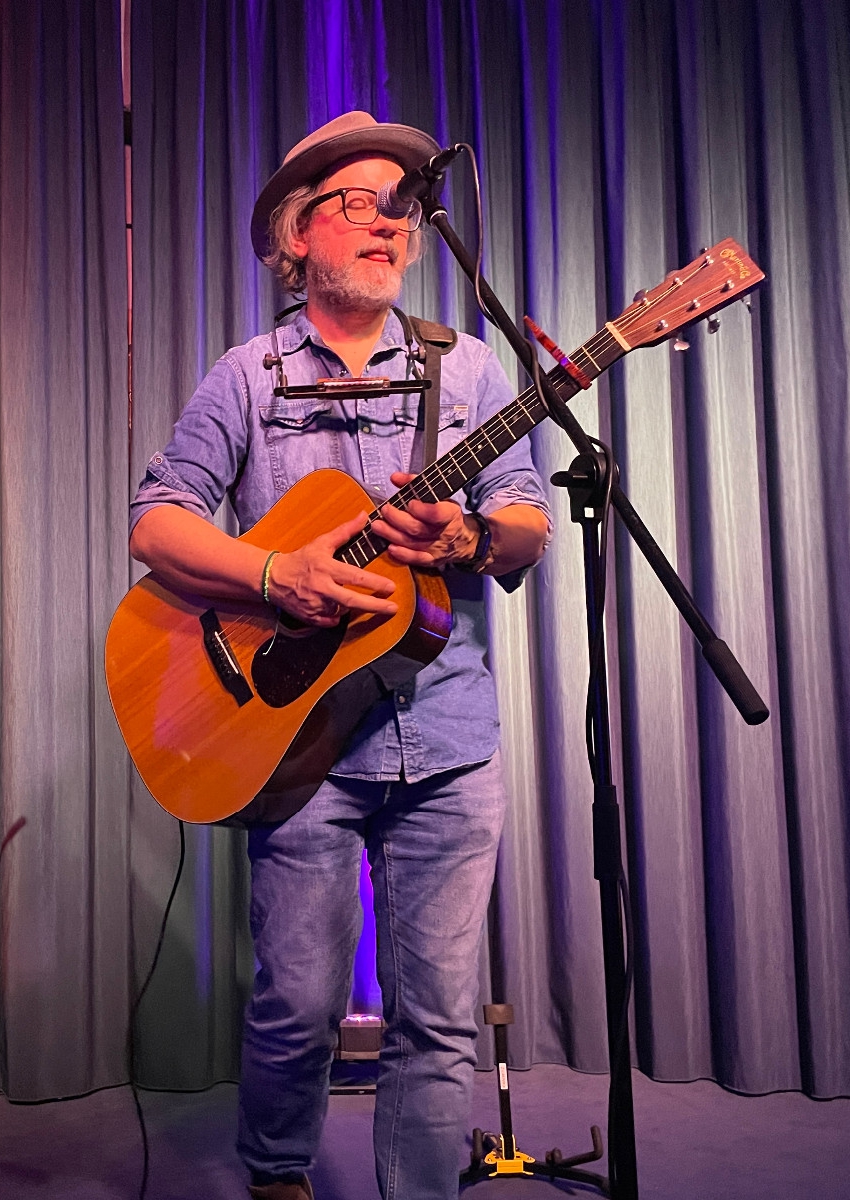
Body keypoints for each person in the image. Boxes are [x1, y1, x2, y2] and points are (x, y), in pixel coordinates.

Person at [127, 111, 551, 1200]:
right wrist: (275, 577)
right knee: (298, 1004)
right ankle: (278, 1175)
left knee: (438, 1018)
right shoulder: (248, 375)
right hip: (295, 743)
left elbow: (525, 521)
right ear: (296, 232)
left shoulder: (466, 369)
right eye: (357, 201)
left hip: (448, 739)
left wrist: (466, 537)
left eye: (399, 205)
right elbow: (157, 524)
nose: (388, 222)